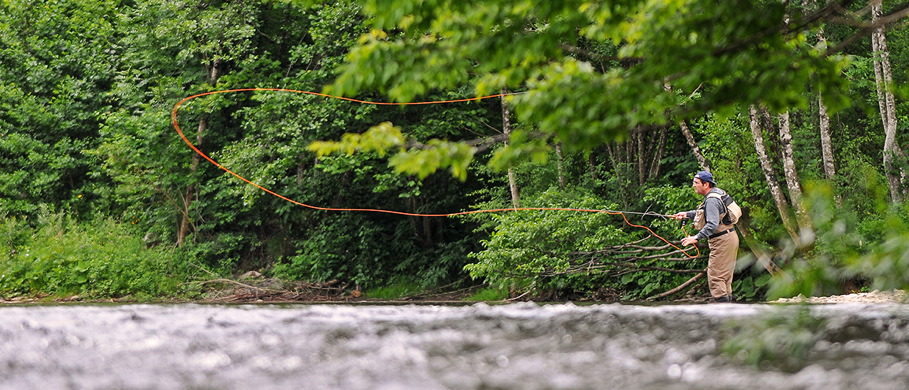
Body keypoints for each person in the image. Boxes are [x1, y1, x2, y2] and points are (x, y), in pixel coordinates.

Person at [670, 171, 739, 303]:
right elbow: (708, 214)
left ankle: (722, 313)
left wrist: (695, 237)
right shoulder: (717, 193)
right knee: (724, 278)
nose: (693, 185)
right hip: (729, 237)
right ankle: (729, 312)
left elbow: (712, 224)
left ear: (706, 184)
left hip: (722, 240)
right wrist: (687, 214)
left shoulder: (711, 200)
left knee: (716, 277)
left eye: (696, 183)